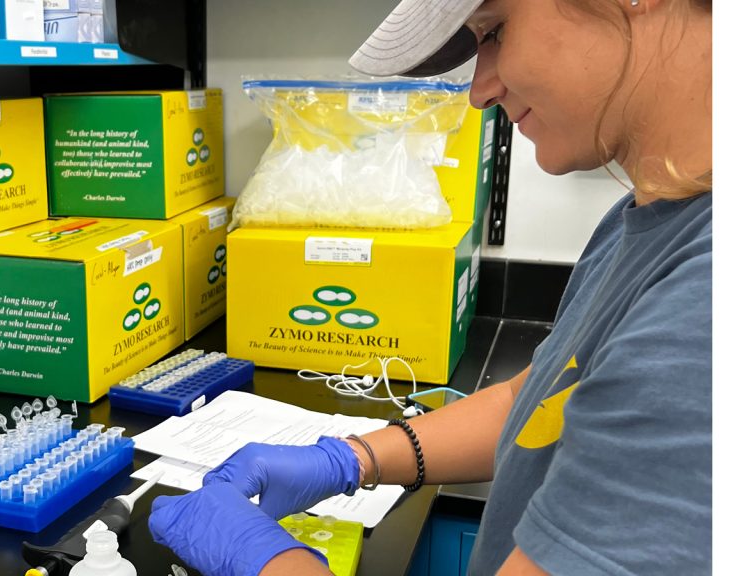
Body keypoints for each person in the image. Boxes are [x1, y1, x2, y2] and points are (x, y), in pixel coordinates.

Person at [148, 0, 713, 574]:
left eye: (494, 32)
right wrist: (352, 459)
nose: (479, 91)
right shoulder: (646, 217)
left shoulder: (708, 298)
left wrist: (269, 561)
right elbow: (539, 402)